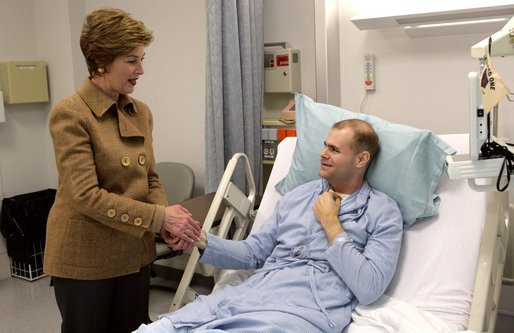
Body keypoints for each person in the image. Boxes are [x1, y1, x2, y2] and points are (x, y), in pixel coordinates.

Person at [136, 119, 404, 333]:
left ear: (361, 160)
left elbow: (369, 288)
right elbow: (253, 253)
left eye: (334, 150)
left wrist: (331, 223)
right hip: (254, 294)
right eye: (325, 145)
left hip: (303, 308)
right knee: (161, 327)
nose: (323, 154)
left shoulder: (383, 211)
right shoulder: (299, 196)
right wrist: (201, 239)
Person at [43, 8, 201, 333]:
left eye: (142, 59)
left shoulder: (140, 112)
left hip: (133, 254)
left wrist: (164, 219)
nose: (141, 69)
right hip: (84, 260)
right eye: (132, 60)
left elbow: (150, 178)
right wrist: (159, 218)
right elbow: (86, 196)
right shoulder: (70, 115)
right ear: (102, 60)